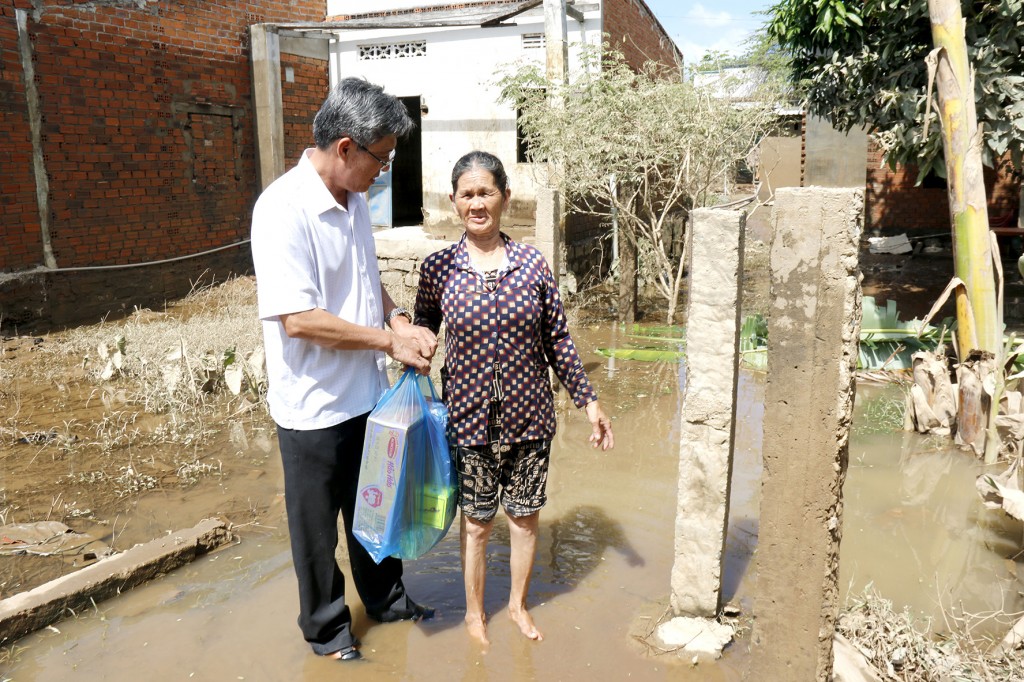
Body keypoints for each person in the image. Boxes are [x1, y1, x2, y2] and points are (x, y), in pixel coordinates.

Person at [250, 77, 438, 663]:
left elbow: (363, 278)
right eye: (381, 158)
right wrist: (388, 341)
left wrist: (398, 317)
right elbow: (300, 320)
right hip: (312, 407)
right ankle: (329, 631)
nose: (384, 171)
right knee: (316, 533)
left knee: (375, 509)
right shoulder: (283, 209)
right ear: (346, 148)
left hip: (367, 398)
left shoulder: (355, 202)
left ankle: (386, 601)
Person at [414, 150, 614, 645]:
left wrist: (588, 402)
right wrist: (412, 344)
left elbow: (558, 341)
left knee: (524, 520)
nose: (476, 203)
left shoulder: (532, 265)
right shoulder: (439, 268)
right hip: (468, 418)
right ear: (454, 202)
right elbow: (422, 326)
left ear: (504, 196)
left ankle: (519, 606)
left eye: (486, 192)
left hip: (530, 418)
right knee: (478, 524)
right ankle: (475, 615)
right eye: (467, 194)